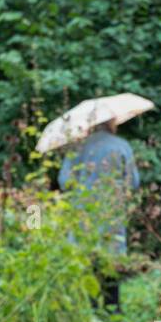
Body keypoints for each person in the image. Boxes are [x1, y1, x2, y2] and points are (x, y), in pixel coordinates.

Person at [58, 120, 140, 311]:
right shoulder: (121, 146)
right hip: (112, 211)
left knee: (86, 255)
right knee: (112, 257)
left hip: (82, 212)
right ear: (112, 124)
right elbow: (133, 182)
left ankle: (91, 307)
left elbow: (64, 181)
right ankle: (113, 307)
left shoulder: (78, 147)